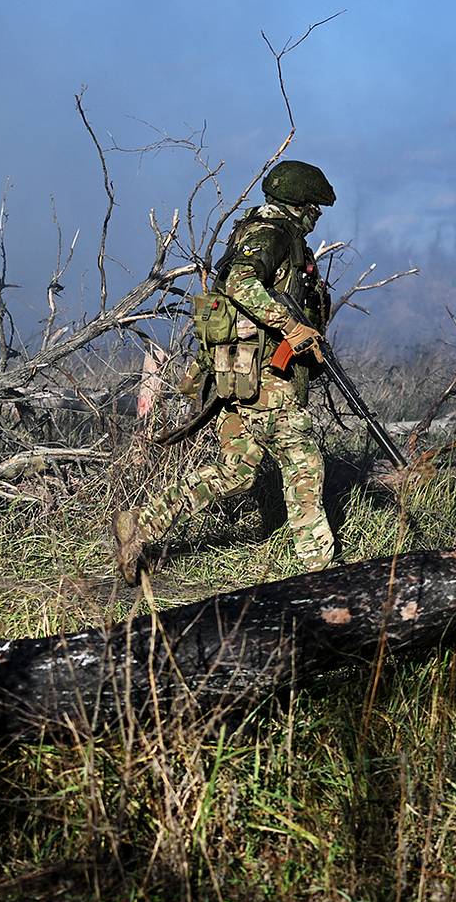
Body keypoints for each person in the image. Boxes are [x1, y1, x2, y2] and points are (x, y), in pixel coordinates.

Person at [112, 159, 337, 584]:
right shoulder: (271, 234)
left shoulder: (259, 232)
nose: (317, 217)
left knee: (237, 471)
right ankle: (320, 578)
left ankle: (140, 524)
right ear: (301, 204)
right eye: (315, 208)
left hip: (239, 372)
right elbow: (238, 283)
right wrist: (290, 325)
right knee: (302, 459)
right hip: (263, 375)